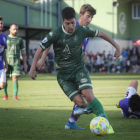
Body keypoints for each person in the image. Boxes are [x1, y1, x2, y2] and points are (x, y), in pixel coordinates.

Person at [29, 7, 121, 134]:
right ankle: (84, 110)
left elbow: (102, 34)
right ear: (63, 21)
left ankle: (106, 124)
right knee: (82, 103)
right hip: (63, 75)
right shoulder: (56, 33)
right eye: (68, 23)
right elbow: (42, 46)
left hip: (78, 68)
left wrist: (117, 47)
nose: (71, 26)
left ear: (76, 20)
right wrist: (35, 65)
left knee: (89, 95)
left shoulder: (82, 30)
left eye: (73, 22)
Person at [3, 23, 27, 100]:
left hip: (16, 63)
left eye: (16, 29)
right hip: (6, 62)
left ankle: (15, 96)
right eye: (14, 29)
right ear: (10, 29)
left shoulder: (20, 40)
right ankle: (5, 95)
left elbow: (23, 52)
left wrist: (25, 63)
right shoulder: (5, 38)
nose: (15, 30)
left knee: (15, 78)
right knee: (5, 79)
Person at [0, 16, 8, 91]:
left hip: (1, 65)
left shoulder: (5, 36)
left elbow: (4, 51)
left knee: (2, 85)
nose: (0, 25)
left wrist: (6, 63)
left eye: (1, 23)